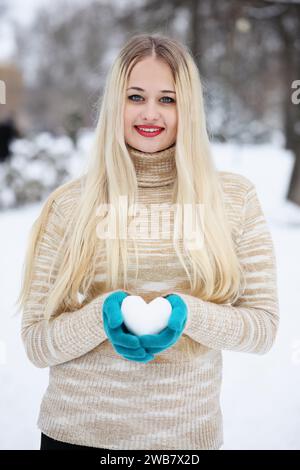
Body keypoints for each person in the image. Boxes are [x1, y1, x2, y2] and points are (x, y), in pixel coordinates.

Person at [15, 33, 279, 451]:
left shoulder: (234, 199)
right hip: (75, 437)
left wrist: (185, 313)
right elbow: (36, 343)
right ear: (115, 103)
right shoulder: (69, 205)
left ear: (188, 107)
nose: (150, 113)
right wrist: (101, 316)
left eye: (168, 99)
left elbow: (262, 329)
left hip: (185, 442)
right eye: (135, 97)